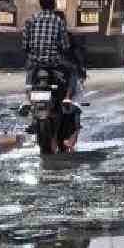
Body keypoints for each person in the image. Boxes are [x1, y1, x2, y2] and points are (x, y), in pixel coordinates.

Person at [21, 0, 70, 112]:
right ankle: (67, 98)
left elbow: (24, 44)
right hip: (53, 61)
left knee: (30, 73)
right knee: (72, 71)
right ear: (54, 5)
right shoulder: (58, 21)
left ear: (40, 4)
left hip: (35, 61)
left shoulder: (31, 19)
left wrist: (30, 52)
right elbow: (65, 45)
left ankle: (27, 98)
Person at [54, 10, 88, 152]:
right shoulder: (66, 38)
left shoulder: (69, 39)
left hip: (56, 74)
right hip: (58, 74)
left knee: (76, 105)